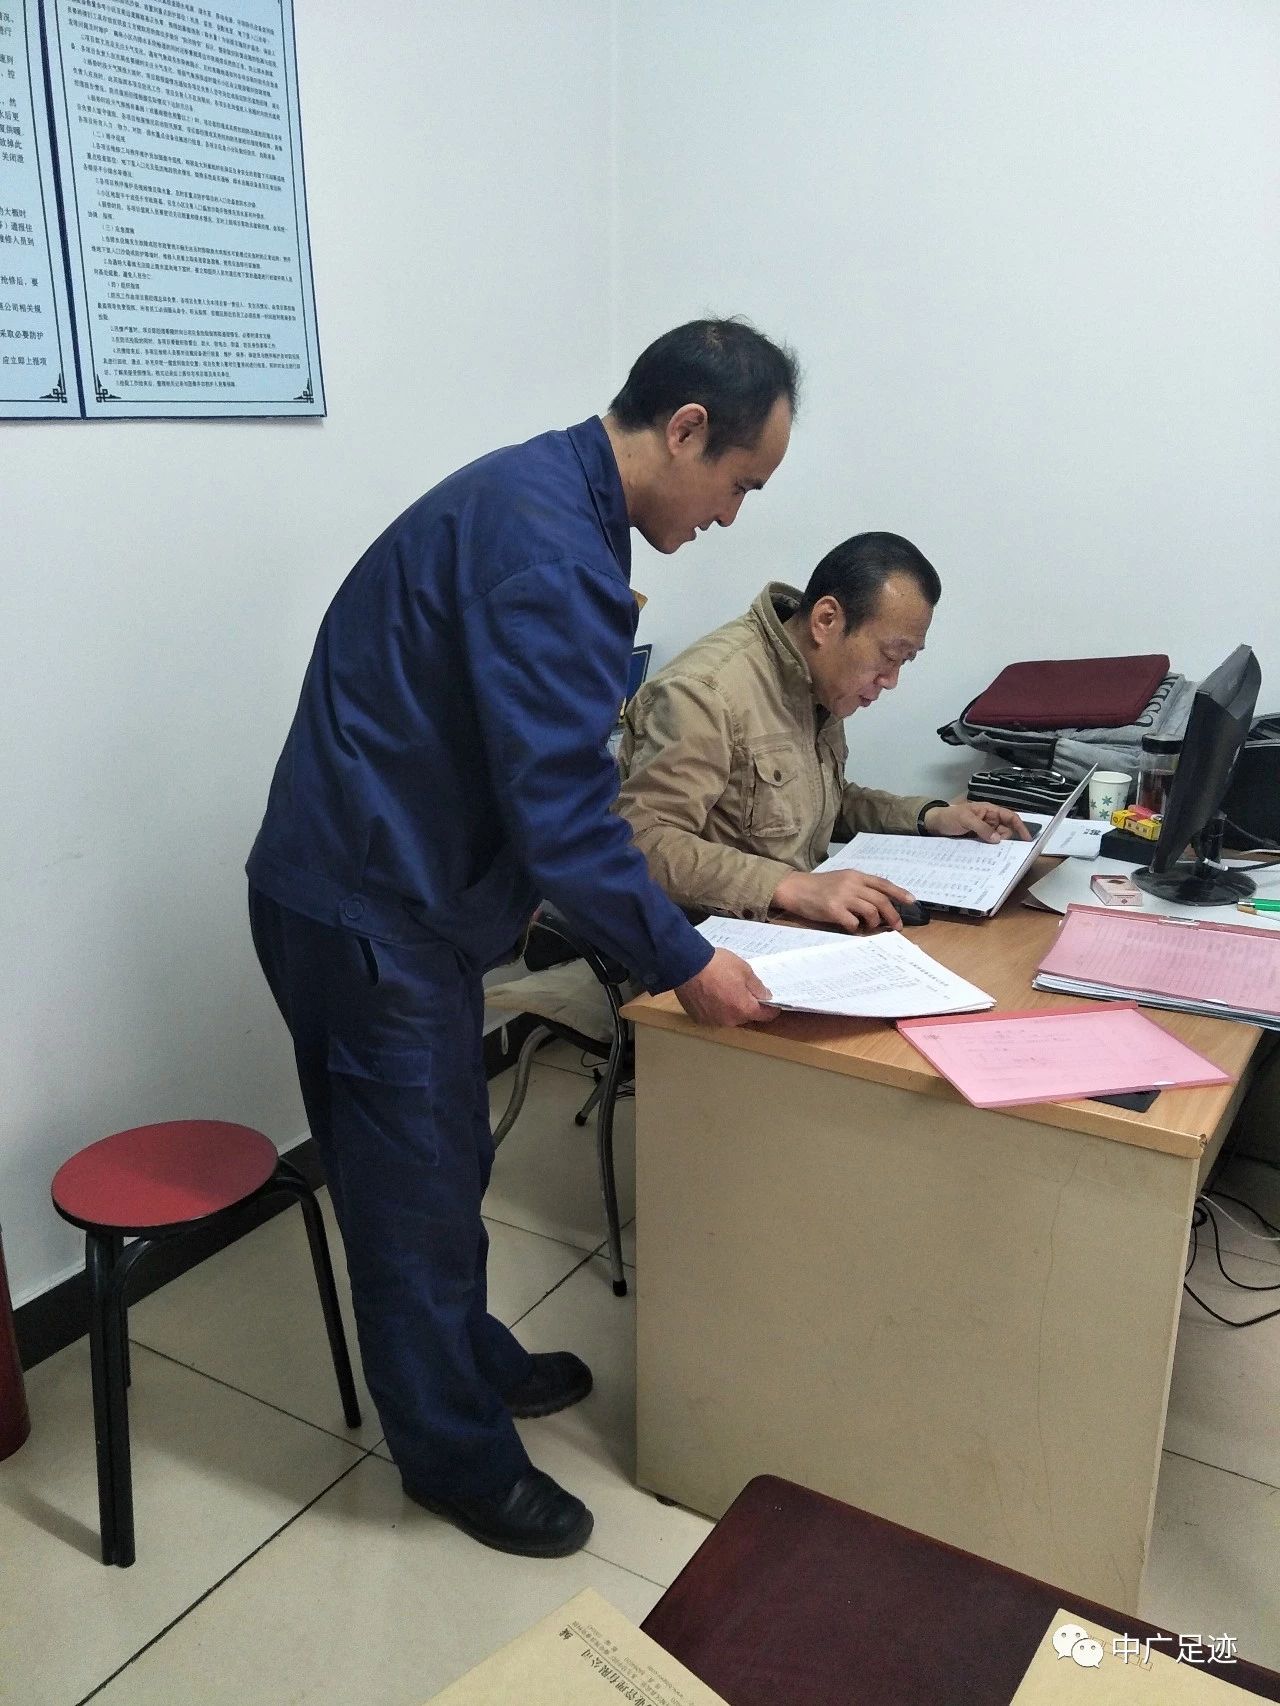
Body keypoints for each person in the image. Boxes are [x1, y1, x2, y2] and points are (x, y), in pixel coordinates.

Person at [245, 319, 798, 1559]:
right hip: (369, 910)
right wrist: (685, 961)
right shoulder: (547, 548)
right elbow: (563, 818)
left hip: (396, 893)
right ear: (686, 429)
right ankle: (453, 1457)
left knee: (439, 1166)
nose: (729, 514)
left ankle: (468, 1354)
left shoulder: (556, 499)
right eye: (738, 483)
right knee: (410, 1194)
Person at [616, 532, 1028, 931]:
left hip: (795, 928)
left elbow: (816, 804)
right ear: (826, 620)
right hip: (710, 944)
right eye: (889, 656)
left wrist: (931, 817)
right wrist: (789, 886)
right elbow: (644, 841)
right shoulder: (704, 693)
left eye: (905, 661)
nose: (891, 680)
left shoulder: (815, 679)